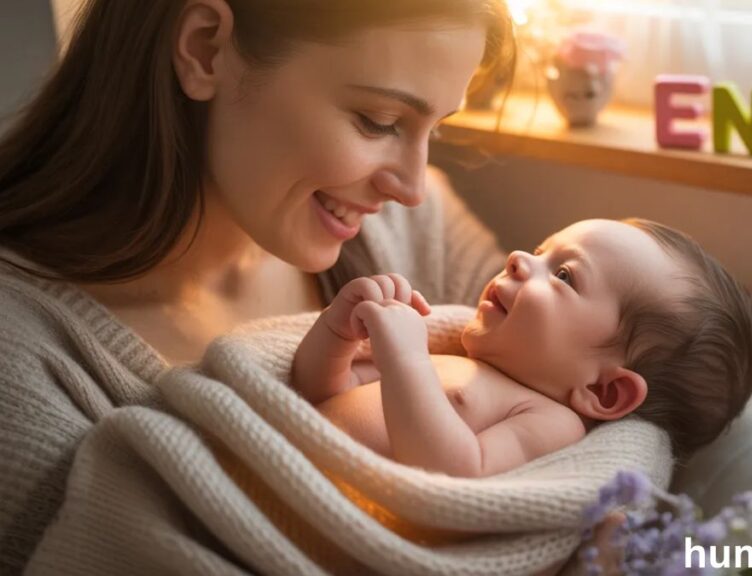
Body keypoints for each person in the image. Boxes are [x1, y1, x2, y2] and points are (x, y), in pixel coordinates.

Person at [0, 0, 520, 572]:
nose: (411, 187)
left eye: (436, 129)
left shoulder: (411, 230)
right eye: (379, 121)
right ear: (205, 49)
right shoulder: (22, 365)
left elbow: (586, 378)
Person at [292, 218, 752, 477]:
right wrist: (338, 332)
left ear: (604, 390)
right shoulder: (454, 358)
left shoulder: (548, 421)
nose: (519, 258)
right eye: (542, 250)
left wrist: (406, 360)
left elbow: (454, 474)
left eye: (564, 275)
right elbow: (317, 392)